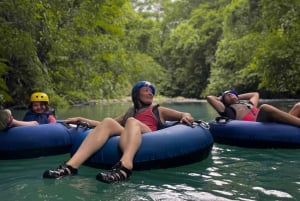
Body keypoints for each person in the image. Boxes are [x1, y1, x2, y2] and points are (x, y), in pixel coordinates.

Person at [43, 81, 194, 183]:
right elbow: (103, 125)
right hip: (129, 133)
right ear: (137, 95)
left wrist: (186, 117)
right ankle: (70, 167)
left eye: (152, 92)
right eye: (146, 90)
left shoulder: (158, 110)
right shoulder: (130, 113)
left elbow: (182, 115)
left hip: (148, 134)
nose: (150, 94)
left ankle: (125, 167)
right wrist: (80, 119)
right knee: (109, 121)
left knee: (131, 122)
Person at [206, 90, 300, 126]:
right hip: (258, 124)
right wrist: (221, 98)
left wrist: (236, 97)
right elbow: (210, 98)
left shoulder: (249, 104)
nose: (231, 95)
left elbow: (255, 94)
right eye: (227, 95)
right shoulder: (227, 110)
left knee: (298, 106)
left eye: (232, 93)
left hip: (268, 122)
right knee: (265, 108)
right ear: (223, 101)